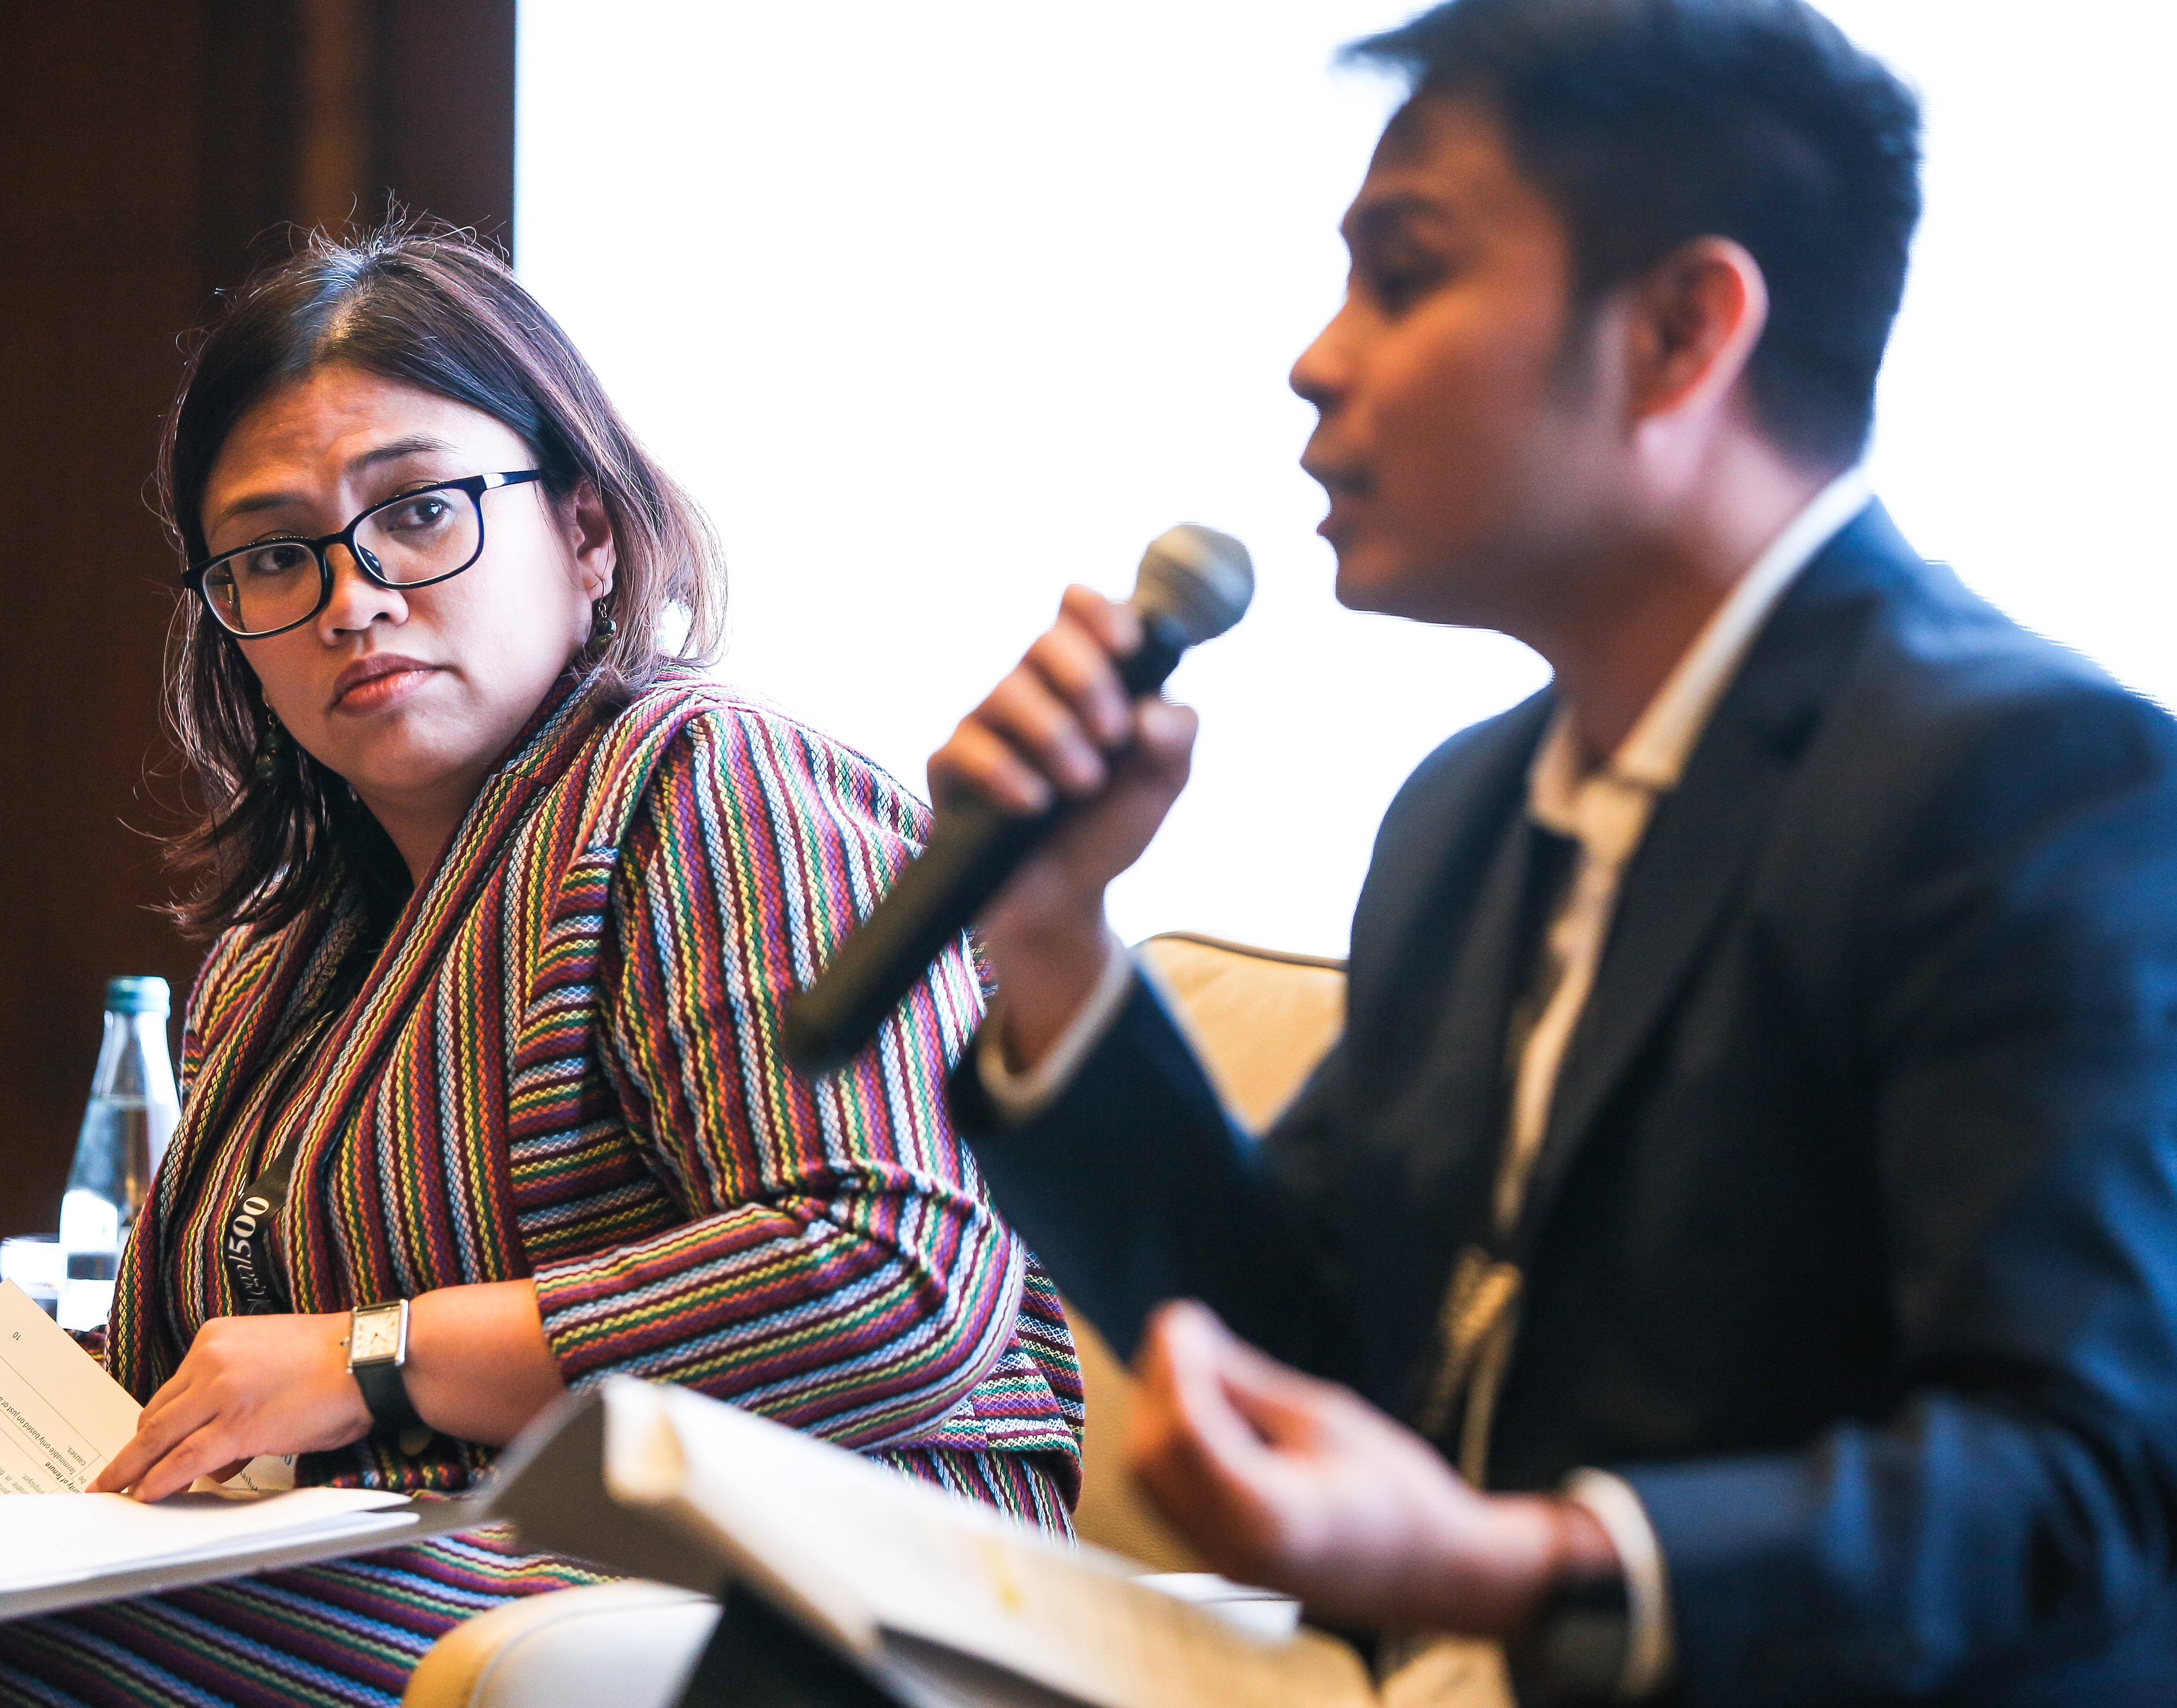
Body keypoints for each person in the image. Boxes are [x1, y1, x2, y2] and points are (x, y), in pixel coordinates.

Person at [0, 225, 1081, 1706]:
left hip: (794, 1597)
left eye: (421, 512)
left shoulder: (709, 787)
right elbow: (138, 1393)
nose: (351, 597)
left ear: (586, 530)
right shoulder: (283, 949)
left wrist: (375, 1358)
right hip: (430, 1570)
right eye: (273, 556)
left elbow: (894, 1277)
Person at [931, 1, 2177, 1702]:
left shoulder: (2031, 780)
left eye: (1403, 276)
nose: (1317, 360)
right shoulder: (1466, 812)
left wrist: (1521, 1564)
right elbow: (1311, 1342)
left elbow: (2086, 1480)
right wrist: (1056, 935)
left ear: (1679, 333)